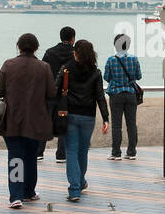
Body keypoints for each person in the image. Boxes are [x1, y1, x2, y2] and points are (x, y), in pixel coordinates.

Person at [0, 33, 56, 209]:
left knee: (15, 157)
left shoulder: (8, 64)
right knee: (30, 156)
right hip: (35, 120)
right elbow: (52, 92)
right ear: (36, 48)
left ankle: (15, 196)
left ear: (18, 46)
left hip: (12, 119)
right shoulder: (44, 67)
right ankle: (29, 192)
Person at [59, 39, 109, 201]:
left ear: (76, 53)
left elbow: (54, 89)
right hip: (88, 116)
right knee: (82, 150)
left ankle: (75, 190)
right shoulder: (96, 72)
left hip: (70, 115)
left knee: (71, 151)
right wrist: (106, 118)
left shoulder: (66, 69)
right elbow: (100, 97)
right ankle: (80, 182)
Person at [39, 27, 76, 162]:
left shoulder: (50, 52)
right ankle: (61, 154)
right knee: (64, 122)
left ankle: (39, 152)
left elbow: (42, 70)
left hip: (50, 92)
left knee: (46, 121)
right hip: (68, 94)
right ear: (73, 39)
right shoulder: (75, 53)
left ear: (61, 37)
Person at [103, 33, 142, 160]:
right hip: (131, 94)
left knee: (116, 125)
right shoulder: (134, 59)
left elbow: (106, 77)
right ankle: (131, 152)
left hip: (116, 95)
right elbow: (138, 76)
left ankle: (116, 153)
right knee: (131, 124)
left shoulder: (111, 60)